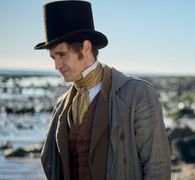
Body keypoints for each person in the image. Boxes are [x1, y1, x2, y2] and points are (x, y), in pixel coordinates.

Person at [34, 1, 171, 180]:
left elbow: (157, 166)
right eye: (53, 57)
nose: (56, 65)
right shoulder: (62, 105)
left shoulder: (137, 94)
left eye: (62, 55)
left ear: (86, 47)